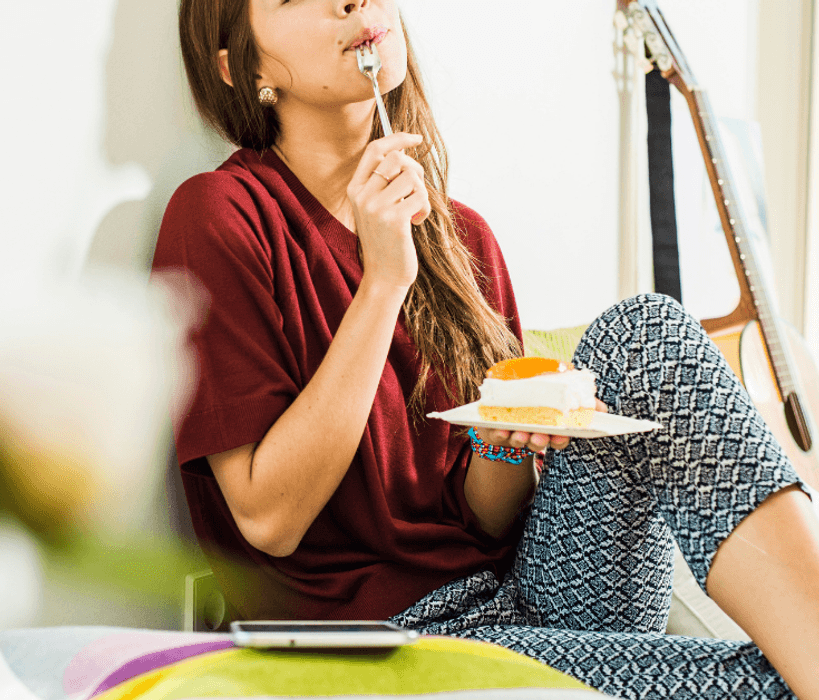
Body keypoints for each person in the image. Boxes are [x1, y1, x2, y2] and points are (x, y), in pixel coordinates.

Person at [150, 1, 819, 698]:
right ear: (241, 65)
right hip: (386, 646)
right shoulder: (219, 216)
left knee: (641, 331)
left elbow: (483, 520)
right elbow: (269, 520)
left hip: (526, 604)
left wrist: (506, 440)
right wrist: (382, 284)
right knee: (769, 682)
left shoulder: (461, 237)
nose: (350, 1)